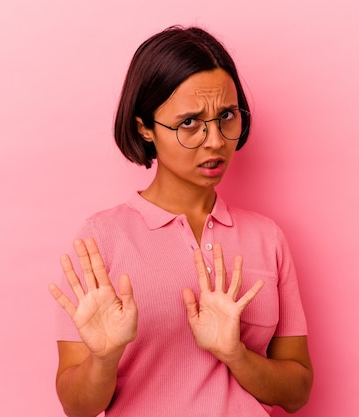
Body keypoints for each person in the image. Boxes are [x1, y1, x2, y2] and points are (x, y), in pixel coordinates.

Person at [48, 25, 313, 417]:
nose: (215, 140)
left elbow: (297, 391)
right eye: (189, 122)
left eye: (227, 116)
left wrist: (236, 354)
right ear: (145, 128)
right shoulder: (101, 239)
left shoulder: (266, 238)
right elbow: (77, 407)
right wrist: (105, 358)